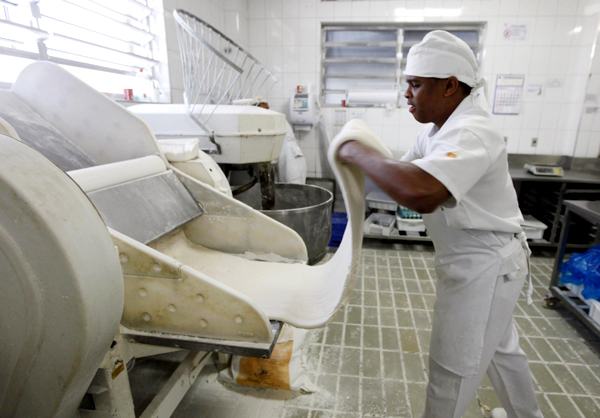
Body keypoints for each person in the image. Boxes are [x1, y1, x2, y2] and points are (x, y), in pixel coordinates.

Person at [337, 31, 543, 418]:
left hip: (484, 267)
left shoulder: (473, 131)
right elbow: (401, 175)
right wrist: (358, 160)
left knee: (453, 367)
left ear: (449, 86)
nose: (407, 94)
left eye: (415, 84)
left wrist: (353, 149)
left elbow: (422, 191)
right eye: (407, 84)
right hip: (483, 262)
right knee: (501, 353)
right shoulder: (436, 131)